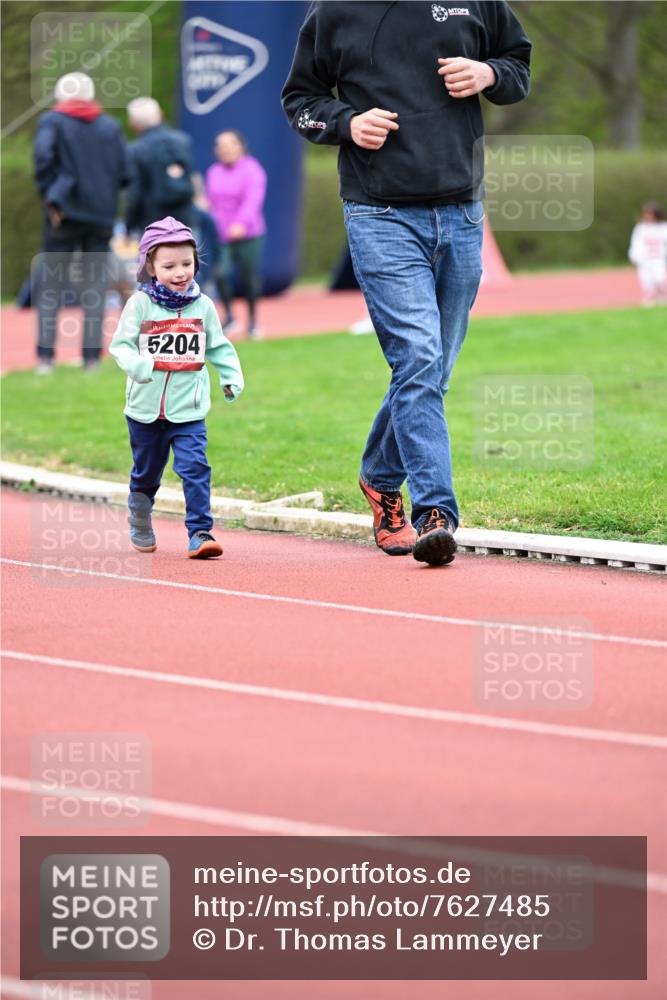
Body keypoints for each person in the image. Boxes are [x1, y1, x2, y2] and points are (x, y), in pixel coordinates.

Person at [282, 2, 530, 566]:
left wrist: (489, 73)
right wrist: (347, 123)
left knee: (434, 367)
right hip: (380, 214)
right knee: (417, 358)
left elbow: (517, 67)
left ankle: (378, 477)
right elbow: (300, 100)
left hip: (462, 213)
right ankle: (434, 513)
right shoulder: (334, 11)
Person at [109, 216, 244, 559]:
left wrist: (230, 376)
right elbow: (120, 346)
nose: (180, 272)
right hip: (144, 409)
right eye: (169, 266)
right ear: (150, 268)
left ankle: (200, 532)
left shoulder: (203, 306)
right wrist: (141, 366)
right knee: (147, 473)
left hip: (189, 408)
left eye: (187, 263)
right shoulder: (140, 305)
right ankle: (140, 514)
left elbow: (218, 346)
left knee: (195, 467)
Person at [33, 72, 129, 373]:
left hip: (63, 213)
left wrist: (52, 199)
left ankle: (45, 358)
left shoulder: (52, 121)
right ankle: (90, 358)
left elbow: (42, 159)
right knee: (96, 288)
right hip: (101, 215)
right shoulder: (110, 126)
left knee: (51, 285)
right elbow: (125, 172)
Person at [205, 130, 267, 339]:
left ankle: (252, 322)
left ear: (240, 146)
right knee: (220, 274)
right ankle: (230, 316)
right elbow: (211, 202)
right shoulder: (213, 171)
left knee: (248, 278)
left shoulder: (252, 170)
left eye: (228, 144)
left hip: (248, 234)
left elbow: (253, 200)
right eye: (219, 145)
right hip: (221, 236)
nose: (224, 149)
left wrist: (240, 224)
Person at [125, 97, 197, 233]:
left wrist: (129, 226)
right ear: (161, 115)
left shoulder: (136, 150)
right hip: (185, 222)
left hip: (152, 225)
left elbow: (135, 194)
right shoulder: (183, 141)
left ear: (134, 124)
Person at [628, 201, 667, 307]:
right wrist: (633, 255)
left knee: (659, 278)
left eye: (650, 213)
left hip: (658, 259)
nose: (648, 216)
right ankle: (649, 297)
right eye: (646, 213)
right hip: (644, 259)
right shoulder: (641, 228)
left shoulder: (663, 227)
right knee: (646, 280)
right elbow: (635, 242)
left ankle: (660, 295)